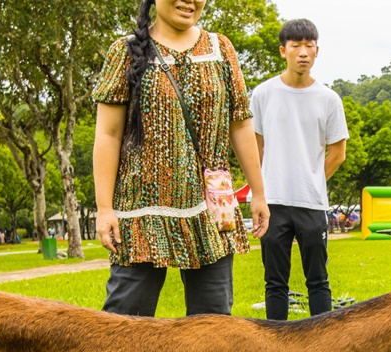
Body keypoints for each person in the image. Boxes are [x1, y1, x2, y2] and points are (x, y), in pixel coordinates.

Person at [91, 0, 268, 317]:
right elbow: (108, 134)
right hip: (140, 212)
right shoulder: (126, 51)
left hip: (210, 210)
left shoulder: (220, 49)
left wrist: (259, 193)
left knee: (213, 325)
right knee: (123, 324)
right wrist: (104, 208)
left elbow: (240, 123)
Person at [250, 18, 348, 320]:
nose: (303, 52)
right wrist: (260, 192)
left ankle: (322, 345)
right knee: (274, 282)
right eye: (296, 46)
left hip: (311, 203)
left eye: (309, 45)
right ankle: (275, 347)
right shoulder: (263, 94)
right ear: (283, 50)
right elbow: (256, 149)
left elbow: (337, 154)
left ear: (317, 51)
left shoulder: (329, 99)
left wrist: (312, 180)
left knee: (318, 280)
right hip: (273, 203)